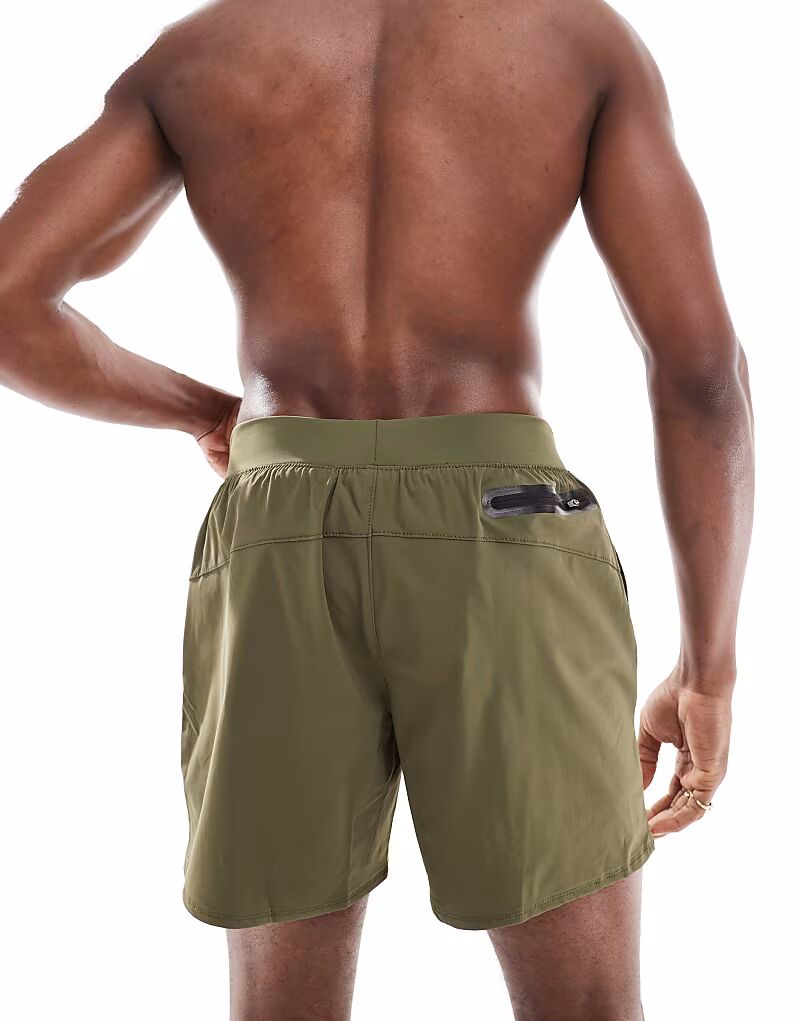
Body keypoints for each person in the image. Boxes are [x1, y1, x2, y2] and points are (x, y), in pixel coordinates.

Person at [0, 1, 754, 1018]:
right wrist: (708, 668)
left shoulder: (202, 52)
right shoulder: (574, 38)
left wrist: (207, 413)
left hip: (278, 522)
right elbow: (701, 374)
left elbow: (8, 298)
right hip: (507, 521)